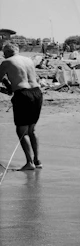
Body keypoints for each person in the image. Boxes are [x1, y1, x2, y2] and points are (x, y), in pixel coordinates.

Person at [0, 37, 45, 170]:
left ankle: (29, 163)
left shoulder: (6, 62)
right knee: (32, 130)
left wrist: (7, 88)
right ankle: (37, 161)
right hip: (37, 93)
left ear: (6, 53)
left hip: (23, 95)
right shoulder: (28, 60)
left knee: (21, 131)